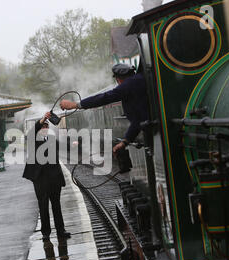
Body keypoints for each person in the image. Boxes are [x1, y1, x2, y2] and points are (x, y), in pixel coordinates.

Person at [60, 63, 149, 154]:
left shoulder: (129, 84)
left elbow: (105, 98)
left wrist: (76, 105)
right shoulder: (137, 82)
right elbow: (138, 120)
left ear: (118, 79)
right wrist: (125, 142)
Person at [22, 112, 71, 241]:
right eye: (43, 126)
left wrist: (73, 144)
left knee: (56, 205)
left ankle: (61, 230)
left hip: (54, 177)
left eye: (46, 127)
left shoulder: (51, 139)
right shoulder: (33, 139)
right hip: (40, 179)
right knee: (43, 206)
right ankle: (46, 233)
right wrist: (43, 119)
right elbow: (32, 131)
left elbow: (62, 147)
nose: (45, 129)